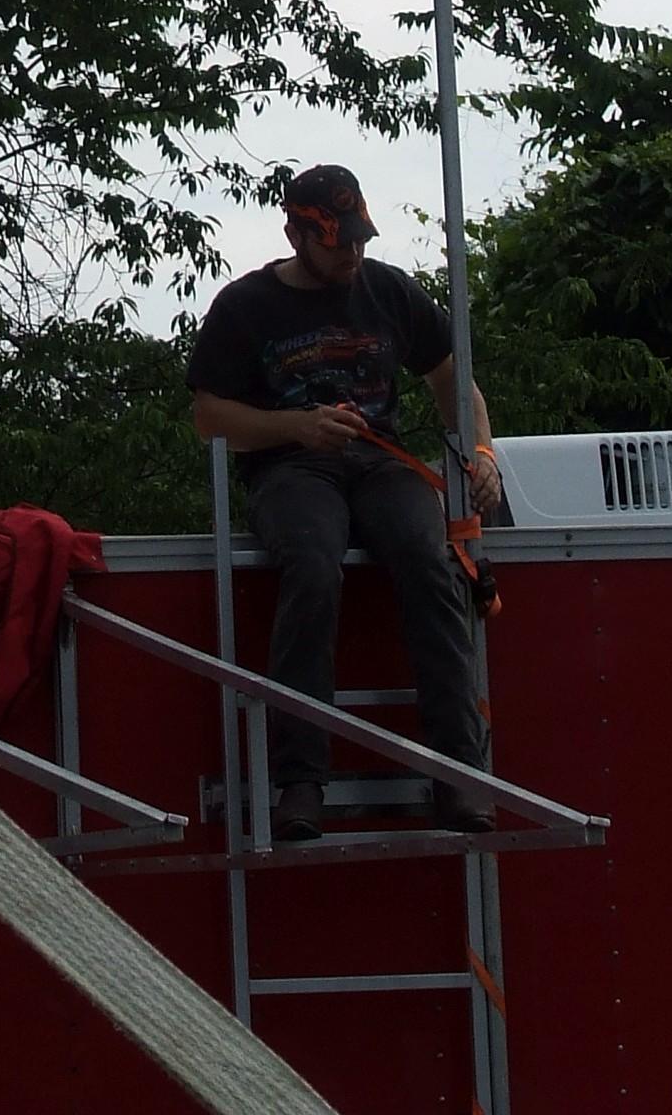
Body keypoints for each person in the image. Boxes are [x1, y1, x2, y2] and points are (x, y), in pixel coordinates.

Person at [186, 163, 504, 841]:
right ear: (296, 236)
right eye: (337, 244)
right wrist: (297, 427)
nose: (352, 254)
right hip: (290, 467)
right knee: (311, 564)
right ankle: (300, 780)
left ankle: (458, 770)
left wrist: (481, 452)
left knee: (430, 560)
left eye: (359, 239)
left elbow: (454, 377)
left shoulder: (389, 290)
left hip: (381, 462)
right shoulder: (245, 306)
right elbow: (209, 418)